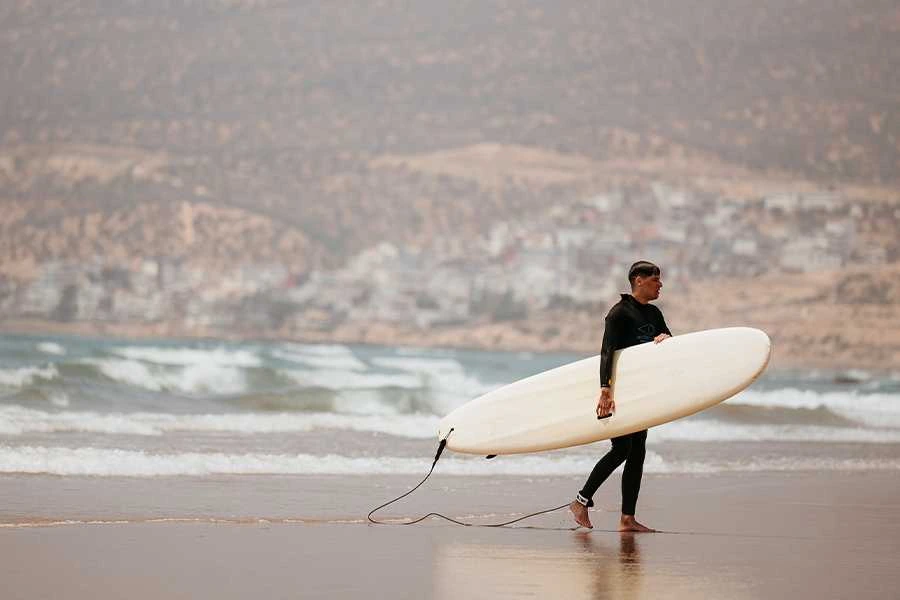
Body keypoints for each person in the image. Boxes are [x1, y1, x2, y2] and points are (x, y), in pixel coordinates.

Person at [569, 260, 671, 532]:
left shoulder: (654, 313)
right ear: (639, 280)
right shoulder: (619, 314)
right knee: (622, 448)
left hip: (641, 392)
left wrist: (664, 340)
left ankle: (627, 519)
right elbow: (607, 352)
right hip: (620, 392)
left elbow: (668, 342)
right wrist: (605, 390)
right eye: (655, 280)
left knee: (637, 452)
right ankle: (580, 501)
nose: (660, 285)